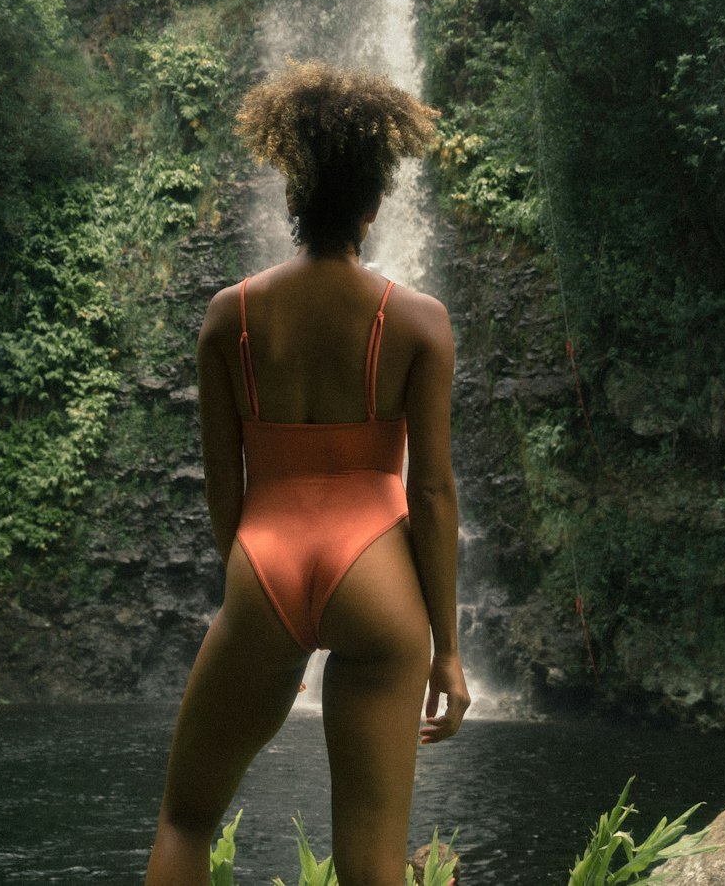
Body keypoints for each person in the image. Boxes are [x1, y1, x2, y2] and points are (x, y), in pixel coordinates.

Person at [145, 61, 470, 886]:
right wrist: (450, 653)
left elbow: (226, 486)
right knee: (372, 867)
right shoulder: (421, 323)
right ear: (373, 202)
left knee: (186, 819)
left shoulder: (230, 317)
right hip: (379, 575)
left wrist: (254, 586)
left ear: (291, 195)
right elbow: (430, 493)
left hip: (266, 561)